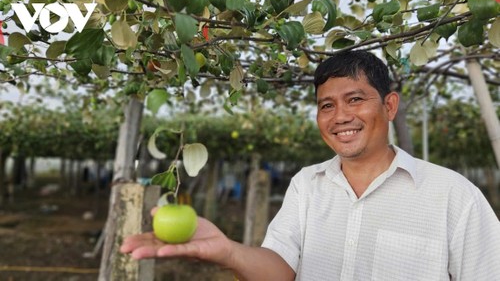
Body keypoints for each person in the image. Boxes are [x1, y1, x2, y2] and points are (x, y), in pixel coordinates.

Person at [121, 50, 500, 280]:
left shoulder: (453, 196)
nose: (340, 117)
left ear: (389, 106)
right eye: (327, 106)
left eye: (355, 99)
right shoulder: (307, 184)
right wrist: (228, 252)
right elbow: (280, 270)